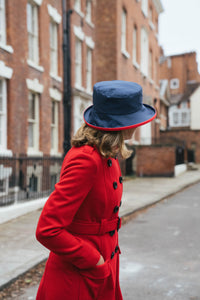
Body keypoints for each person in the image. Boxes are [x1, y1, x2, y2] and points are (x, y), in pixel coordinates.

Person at [35, 80, 156, 300]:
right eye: (135, 118)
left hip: (103, 265)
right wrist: (94, 260)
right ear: (121, 123)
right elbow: (47, 229)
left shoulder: (107, 154)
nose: (139, 125)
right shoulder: (86, 159)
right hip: (79, 276)